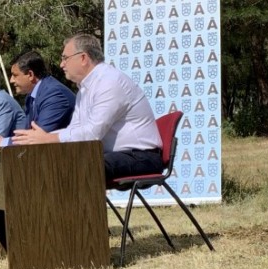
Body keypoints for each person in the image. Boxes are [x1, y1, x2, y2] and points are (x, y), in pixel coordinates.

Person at [12, 34, 163, 181]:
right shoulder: (84, 89)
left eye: (65, 58)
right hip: (113, 154)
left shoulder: (109, 82)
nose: (61, 64)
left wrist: (48, 138)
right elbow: (74, 129)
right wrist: (39, 138)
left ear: (83, 58)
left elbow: (92, 134)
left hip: (140, 156)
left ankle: (74, 207)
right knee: (48, 161)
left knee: (75, 166)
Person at [9, 51, 75, 133]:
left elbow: (37, 136)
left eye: (15, 75)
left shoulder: (54, 95)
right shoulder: (31, 96)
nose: (11, 80)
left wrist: (2, 142)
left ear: (30, 75)